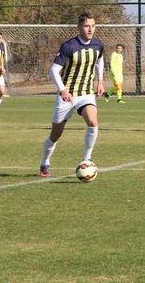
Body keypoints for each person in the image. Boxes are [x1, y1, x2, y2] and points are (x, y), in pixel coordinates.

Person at [39, 11, 105, 178]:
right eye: (87, 26)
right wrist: (62, 90)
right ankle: (45, 162)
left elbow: (100, 60)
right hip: (67, 95)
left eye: (93, 26)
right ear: (79, 27)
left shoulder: (98, 45)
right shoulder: (69, 46)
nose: (90, 29)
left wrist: (101, 80)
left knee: (93, 121)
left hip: (86, 93)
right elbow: (54, 70)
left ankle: (87, 160)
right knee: (55, 134)